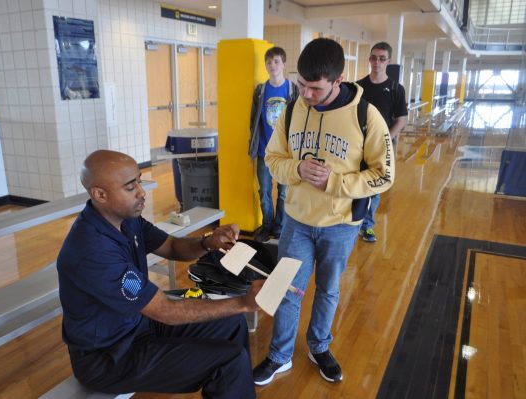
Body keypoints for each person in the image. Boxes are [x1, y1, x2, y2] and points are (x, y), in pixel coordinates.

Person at [57, 150, 263, 398]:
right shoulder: (91, 251)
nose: (142, 192)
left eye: (139, 181)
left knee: (231, 324)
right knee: (227, 360)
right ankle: (234, 382)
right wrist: (242, 302)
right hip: (108, 357)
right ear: (100, 194)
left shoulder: (126, 219)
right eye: (130, 186)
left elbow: (172, 246)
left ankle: (237, 388)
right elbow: (165, 311)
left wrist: (208, 242)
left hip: (138, 326)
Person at [253, 38, 395, 386]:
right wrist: (297, 170)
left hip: (340, 225)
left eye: (314, 88)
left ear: (338, 79)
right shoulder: (291, 109)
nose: (305, 94)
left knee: (329, 290)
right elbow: (273, 160)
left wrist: (336, 183)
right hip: (296, 222)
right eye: (300, 85)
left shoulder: (367, 115)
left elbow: (385, 175)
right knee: (288, 289)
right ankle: (280, 355)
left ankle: (319, 346)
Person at [356, 42, 408, 242]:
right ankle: (352, 221)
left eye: (381, 58)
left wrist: (385, 140)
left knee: (375, 187)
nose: (376, 62)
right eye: (373, 57)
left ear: (389, 61)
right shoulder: (359, 87)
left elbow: (401, 119)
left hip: (382, 148)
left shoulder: (396, 89)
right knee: (355, 182)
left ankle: (367, 226)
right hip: (358, 145)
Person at [249, 46, 299, 242]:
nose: (272, 65)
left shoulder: (292, 89)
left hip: (285, 153)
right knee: (264, 192)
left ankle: (279, 227)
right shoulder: (260, 90)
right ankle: (267, 225)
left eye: (276, 61)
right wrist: (252, 145)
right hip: (263, 151)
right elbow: (253, 121)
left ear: (284, 64)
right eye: (269, 62)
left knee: (284, 193)